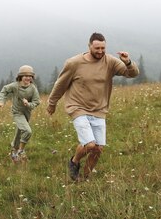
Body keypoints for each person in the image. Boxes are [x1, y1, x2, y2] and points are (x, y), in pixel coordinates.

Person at [47, 32, 139, 181]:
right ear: (89, 46)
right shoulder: (74, 63)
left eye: (103, 48)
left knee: (98, 149)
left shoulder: (110, 61)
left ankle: (84, 178)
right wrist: (52, 103)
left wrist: (128, 62)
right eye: (97, 48)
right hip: (78, 107)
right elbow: (61, 84)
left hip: (99, 109)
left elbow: (132, 74)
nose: (100, 51)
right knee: (90, 145)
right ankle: (74, 161)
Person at [0, 65, 41, 162]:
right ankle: (20, 152)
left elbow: (37, 102)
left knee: (19, 132)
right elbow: (4, 91)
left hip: (27, 113)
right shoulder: (15, 86)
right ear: (20, 76)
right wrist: (2, 102)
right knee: (27, 131)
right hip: (17, 113)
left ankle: (14, 151)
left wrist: (28, 104)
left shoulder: (33, 88)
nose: (28, 78)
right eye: (25, 75)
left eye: (30, 76)